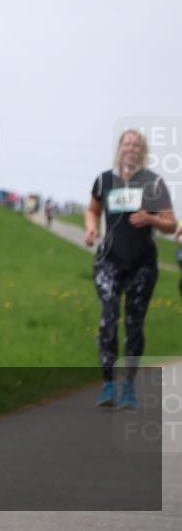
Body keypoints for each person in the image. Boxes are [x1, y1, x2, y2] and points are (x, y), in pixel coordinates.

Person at [85, 130, 177, 409]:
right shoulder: (104, 180)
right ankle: (108, 384)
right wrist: (91, 229)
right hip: (109, 261)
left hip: (142, 264)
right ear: (120, 148)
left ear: (143, 151)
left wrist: (151, 219)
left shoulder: (153, 183)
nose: (132, 148)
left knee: (134, 325)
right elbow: (93, 210)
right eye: (127, 143)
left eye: (137, 145)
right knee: (108, 316)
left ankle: (128, 386)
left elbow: (171, 224)